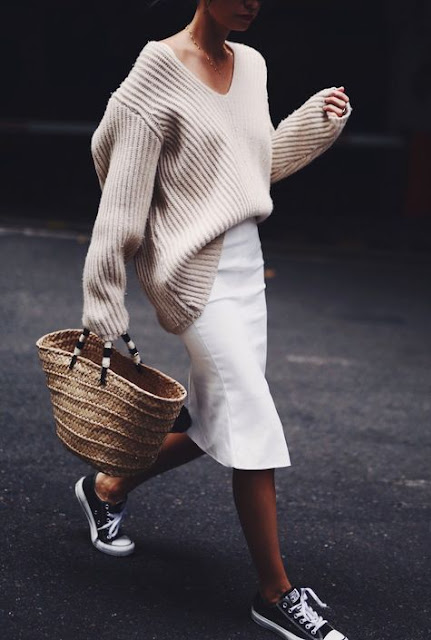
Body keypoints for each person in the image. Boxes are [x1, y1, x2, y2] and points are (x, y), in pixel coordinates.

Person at [74, 1, 353, 638]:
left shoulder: (251, 66)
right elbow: (120, 202)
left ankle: (107, 488)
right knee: (250, 411)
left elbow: (248, 174)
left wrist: (314, 125)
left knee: (212, 416)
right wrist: (103, 304)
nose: (255, 1)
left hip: (246, 266)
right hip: (192, 277)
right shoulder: (157, 69)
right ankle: (275, 592)